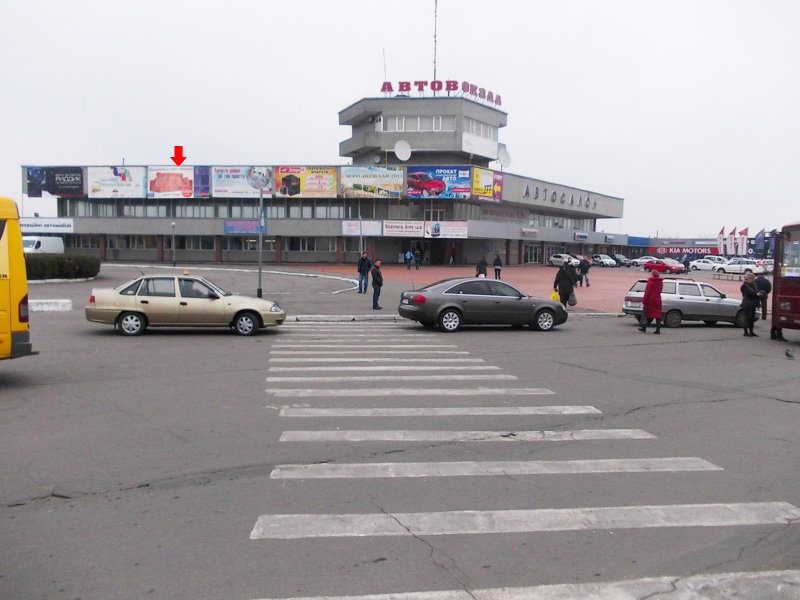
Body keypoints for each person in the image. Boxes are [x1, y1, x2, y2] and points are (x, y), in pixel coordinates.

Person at [740, 272, 763, 337]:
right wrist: (756, 294)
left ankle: (751, 331)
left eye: (753, 278)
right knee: (747, 318)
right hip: (747, 304)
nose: (753, 280)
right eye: (752, 278)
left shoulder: (753, 284)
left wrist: (759, 293)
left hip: (753, 304)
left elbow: (756, 291)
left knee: (752, 318)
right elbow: (749, 293)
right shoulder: (744, 285)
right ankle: (746, 332)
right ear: (748, 278)